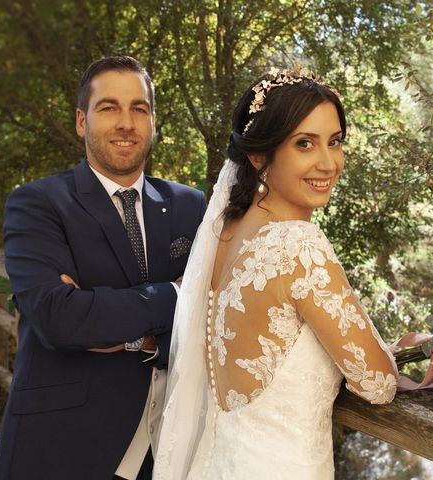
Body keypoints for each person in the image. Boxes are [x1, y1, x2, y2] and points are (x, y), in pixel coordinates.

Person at [153, 66, 399, 479]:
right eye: (305, 143)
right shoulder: (298, 246)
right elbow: (377, 382)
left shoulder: (223, 232)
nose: (328, 162)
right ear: (258, 154)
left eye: (334, 142)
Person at [0, 56, 206, 480]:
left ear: (152, 121)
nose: (126, 122)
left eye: (139, 109)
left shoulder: (189, 205)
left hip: (165, 452)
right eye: (109, 107)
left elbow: (211, 318)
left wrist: (122, 329)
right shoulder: (38, 204)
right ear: (81, 121)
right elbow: (60, 318)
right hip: (61, 448)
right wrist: (180, 294)